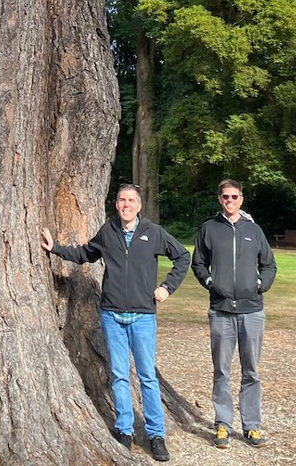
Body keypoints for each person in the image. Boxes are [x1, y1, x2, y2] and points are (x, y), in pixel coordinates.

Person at [41, 184, 189, 462]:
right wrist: (56, 248)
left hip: (143, 316)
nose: (126, 204)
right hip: (112, 315)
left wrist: (167, 288)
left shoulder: (153, 233)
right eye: (122, 200)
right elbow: (85, 254)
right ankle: (124, 431)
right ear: (116, 205)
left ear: (139, 206)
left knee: (147, 377)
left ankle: (156, 434)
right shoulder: (108, 232)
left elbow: (183, 256)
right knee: (119, 375)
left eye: (131, 200)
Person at [191, 179, 276, 449]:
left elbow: (269, 265)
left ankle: (251, 426)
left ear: (242, 199)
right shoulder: (209, 228)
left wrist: (260, 285)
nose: (230, 201)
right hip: (221, 310)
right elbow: (198, 262)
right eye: (225, 197)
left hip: (252, 310)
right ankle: (223, 425)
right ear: (220, 200)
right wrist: (209, 283)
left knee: (251, 371)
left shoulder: (254, 230)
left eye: (234, 197)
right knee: (222, 370)